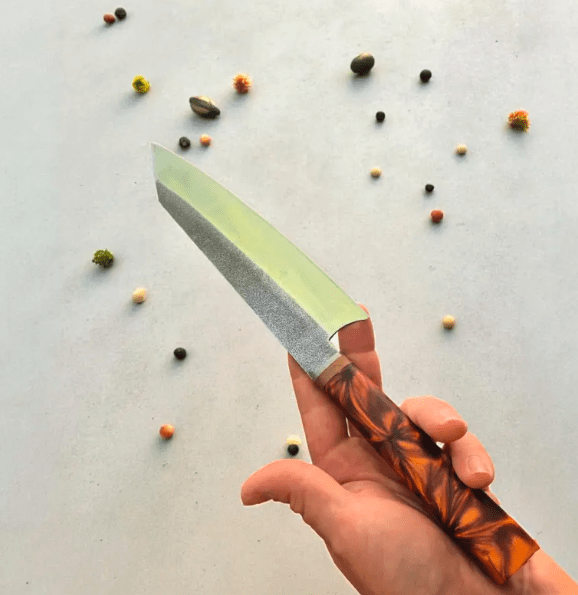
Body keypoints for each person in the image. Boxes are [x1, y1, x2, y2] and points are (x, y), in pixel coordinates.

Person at [241, 303, 578, 595]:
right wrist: (527, 583)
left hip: (499, 548)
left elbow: (512, 559)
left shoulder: (509, 556)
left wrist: (525, 579)